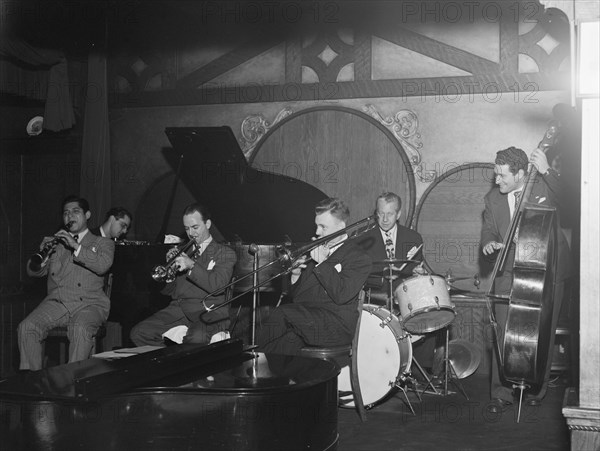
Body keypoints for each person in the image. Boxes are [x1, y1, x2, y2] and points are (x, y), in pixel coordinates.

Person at [482, 146, 571, 413]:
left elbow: (572, 199)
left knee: (541, 331)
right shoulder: (492, 198)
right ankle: (501, 392)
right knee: (503, 331)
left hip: (549, 269)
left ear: (521, 174)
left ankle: (536, 390)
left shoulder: (543, 187)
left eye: (503, 176)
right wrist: (488, 243)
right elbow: (488, 228)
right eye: (496, 175)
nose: (497, 180)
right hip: (509, 268)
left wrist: (546, 170)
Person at [256, 197, 372, 356]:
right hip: (309, 321)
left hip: (335, 326)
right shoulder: (318, 251)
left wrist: (323, 263)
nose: (317, 232)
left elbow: (342, 295)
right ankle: (260, 372)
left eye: (323, 227)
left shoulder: (359, 257)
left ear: (341, 226)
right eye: (317, 226)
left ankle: (250, 358)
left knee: (281, 313)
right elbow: (298, 298)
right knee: (277, 350)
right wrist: (296, 275)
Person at [18, 196, 115, 370]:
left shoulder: (103, 243)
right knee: (27, 327)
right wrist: (43, 256)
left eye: (75, 211)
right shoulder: (57, 245)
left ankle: (73, 383)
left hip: (90, 304)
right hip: (58, 302)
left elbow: (102, 266)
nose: (70, 216)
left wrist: (76, 246)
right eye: (66, 213)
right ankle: (33, 383)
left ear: (87, 215)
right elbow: (33, 272)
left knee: (79, 328)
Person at [130, 203, 236, 346]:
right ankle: (169, 365)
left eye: (195, 227)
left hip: (209, 311)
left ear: (208, 224)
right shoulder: (181, 251)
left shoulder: (224, 253)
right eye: (187, 228)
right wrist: (169, 275)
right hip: (179, 310)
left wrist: (191, 265)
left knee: (196, 338)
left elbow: (218, 285)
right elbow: (170, 292)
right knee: (139, 333)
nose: (191, 233)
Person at [354, 191, 424, 294]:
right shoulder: (360, 237)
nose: (385, 219)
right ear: (376, 213)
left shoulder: (414, 238)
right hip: (372, 300)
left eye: (390, 214)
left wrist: (418, 273)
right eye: (381, 213)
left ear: (398, 214)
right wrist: (383, 272)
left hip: (405, 298)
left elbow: (416, 269)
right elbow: (354, 272)